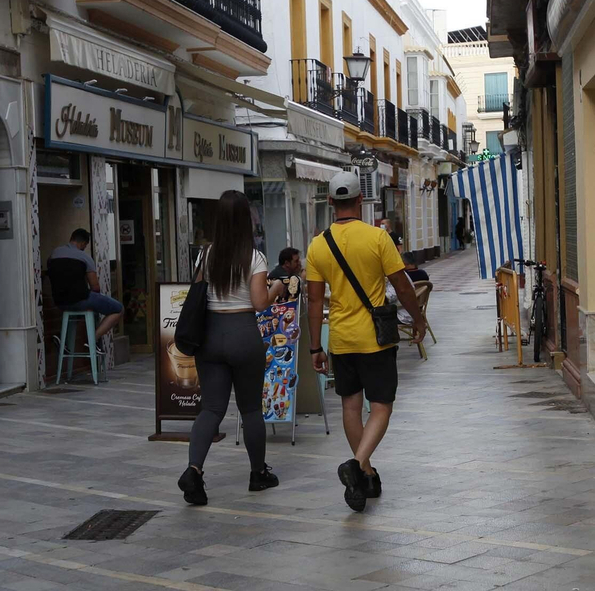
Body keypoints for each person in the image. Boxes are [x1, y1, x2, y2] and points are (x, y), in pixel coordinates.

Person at [305, 172, 425, 512]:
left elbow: (315, 302)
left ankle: (365, 475)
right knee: (382, 405)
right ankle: (358, 466)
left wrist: (316, 346)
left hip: (341, 339)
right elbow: (402, 286)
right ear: (361, 200)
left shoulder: (318, 244)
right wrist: (418, 319)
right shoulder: (378, 237)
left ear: (330, 202)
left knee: (350, 406)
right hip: (376, 338)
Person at [178, 191, 286, 506]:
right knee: (250, 408)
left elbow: (198, 292)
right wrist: (276, 287)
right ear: (245, 221)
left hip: (209, 336)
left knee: (211, 408)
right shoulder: (254, 257)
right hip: (243, 334)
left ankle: (194, 471)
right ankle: (257, 474)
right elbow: (259, 303)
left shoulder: (206, 255)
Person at [48, 228, 123, 346]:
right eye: (85, 245)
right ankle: (92, 340)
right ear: (83, 243)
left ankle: (64, 339)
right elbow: (95, 287)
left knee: (81, 309)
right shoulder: (85, 257)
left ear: (71, 239)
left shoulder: (54, 253)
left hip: (60, 302)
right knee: (118, 309)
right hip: (80, 299)